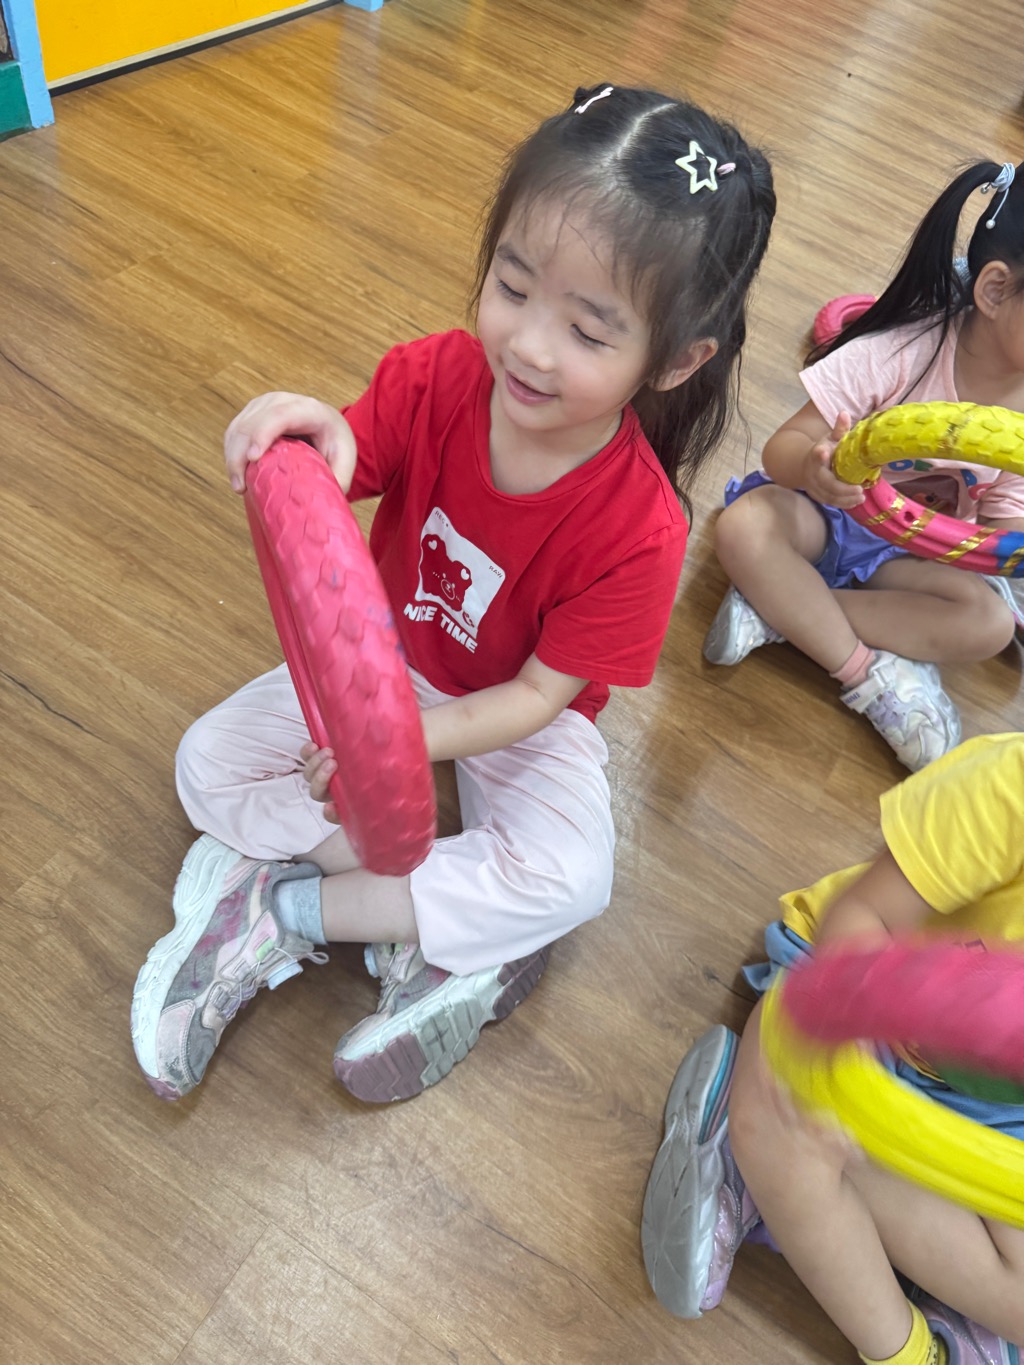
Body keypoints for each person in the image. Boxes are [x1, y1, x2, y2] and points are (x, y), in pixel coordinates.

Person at [130, 83, 776, 1104]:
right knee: (206, 763)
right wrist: (301, 432)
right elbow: (337, 469)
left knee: (577, 878)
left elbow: (539, 697)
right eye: (512, 286)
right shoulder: (435, 375)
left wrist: (394, 751)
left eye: (589, 331)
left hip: (516, 713)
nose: (529, 345)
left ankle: (288, 911)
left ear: (675, 361)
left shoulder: (643, 528)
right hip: (381, 671)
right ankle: (433, 918)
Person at [641, 731, 1024, 1364]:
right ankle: (907, 1349)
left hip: (993, 1107)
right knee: (797, 1121)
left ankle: (944, 1286)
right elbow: (864, 920)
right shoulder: (1011, 786)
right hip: (855, 997)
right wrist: (855, 1084)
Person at [703, 160, 1024, 772]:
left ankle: (783, 612)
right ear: (994, 290)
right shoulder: (902, 349)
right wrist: (816, 469)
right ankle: (865, 673)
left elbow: (1004, 516)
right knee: (744, 527)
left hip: (909, 556)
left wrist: (1012, 545)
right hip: (825, 517)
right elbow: (783, 446)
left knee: (988, 624)